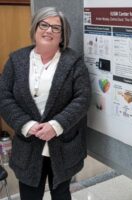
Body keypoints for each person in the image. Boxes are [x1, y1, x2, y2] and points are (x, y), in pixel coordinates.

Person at [0, 7, 91, 200]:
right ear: (35, 28)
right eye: (44, 24)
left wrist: (56, 125)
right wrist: (27, 124)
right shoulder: (16, 60)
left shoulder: (74, 62)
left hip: (64, 145)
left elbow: (82, 99)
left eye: (56, 28)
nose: (49, 30)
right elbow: (4, 97)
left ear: (62, 35)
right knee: (30, 195)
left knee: (62, 194)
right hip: (28, 146)